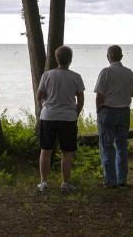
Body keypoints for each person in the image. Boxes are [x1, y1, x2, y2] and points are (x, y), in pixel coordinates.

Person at [36, 45, 85, 193]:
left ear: (56, 59)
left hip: (48, 116)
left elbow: (39, 96)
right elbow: (80, 99)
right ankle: (65, 183)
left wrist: (45, 106)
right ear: (70, 60)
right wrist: (75, 113)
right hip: (68, 118)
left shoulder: (47, 75)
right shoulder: (76, 76)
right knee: (67, 152)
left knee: (45, 150)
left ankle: (43, 182)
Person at [94, 45, 133, 187]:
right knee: (122, 146)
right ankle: (122, 180)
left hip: (108, 112)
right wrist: (123, 91)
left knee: (107, 146)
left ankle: (110, 181)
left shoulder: (105, 72)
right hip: (124, 112)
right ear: (121, 57)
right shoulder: (129, 73)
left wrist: (98, 111)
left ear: (108, 57)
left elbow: (99, 96)